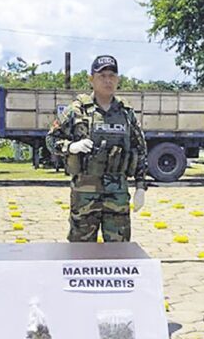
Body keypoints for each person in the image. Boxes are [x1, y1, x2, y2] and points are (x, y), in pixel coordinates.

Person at [45, 56, 148, 242]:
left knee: (119, 252)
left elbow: (139, 151)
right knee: (80, 252)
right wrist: (71, 147)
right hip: (84, 195)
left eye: (112, 75)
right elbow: (51, 140)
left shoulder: (126, 113)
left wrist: (141, 187)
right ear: (91, 79)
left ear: (118, 79)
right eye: (102, 76)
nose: (108, 80)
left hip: (117, 195)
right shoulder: (77, 111)